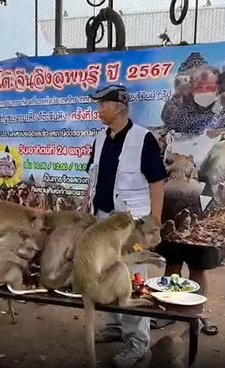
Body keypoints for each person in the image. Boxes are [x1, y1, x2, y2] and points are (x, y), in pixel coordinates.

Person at [84, 84, 167, 368]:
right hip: (103, 220)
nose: (98, 110)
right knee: (107, 272)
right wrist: (89, 210)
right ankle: (115, 326)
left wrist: (154, 223)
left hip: (133, 226)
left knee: (132, 277)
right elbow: (92, 180)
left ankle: (138, 341)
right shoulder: (99, 139)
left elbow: (157, 183)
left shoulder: (143, 139)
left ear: (118, 107)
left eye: (102, 105)